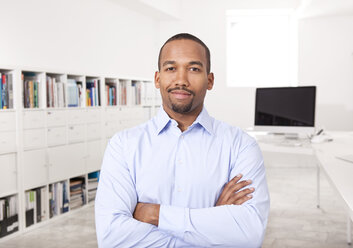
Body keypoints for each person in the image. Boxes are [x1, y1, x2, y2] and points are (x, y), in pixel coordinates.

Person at [95, 33, 270, 247]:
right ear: (157, 79)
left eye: (194, 69)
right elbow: (112, 237)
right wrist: (212, 221)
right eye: (170, 68)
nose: (181, 80)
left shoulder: (241, 145)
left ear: (210, 80)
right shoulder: (123, 145)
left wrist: (154, 214)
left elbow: (249, 235)